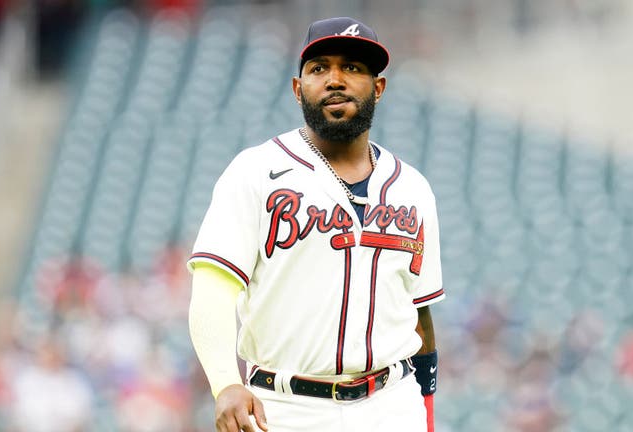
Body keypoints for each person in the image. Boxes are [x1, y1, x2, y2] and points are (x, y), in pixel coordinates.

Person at [187, 16, 444, 432]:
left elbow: (420, 313)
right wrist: (225, 384)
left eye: (354, 68)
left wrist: (426, 412)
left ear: (378, 89)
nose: (335, 79)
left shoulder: (412, 188)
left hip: (393, 405)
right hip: (285, 407)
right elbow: (212, 291)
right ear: (297, 88)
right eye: (319, 67)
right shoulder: (255, 172)